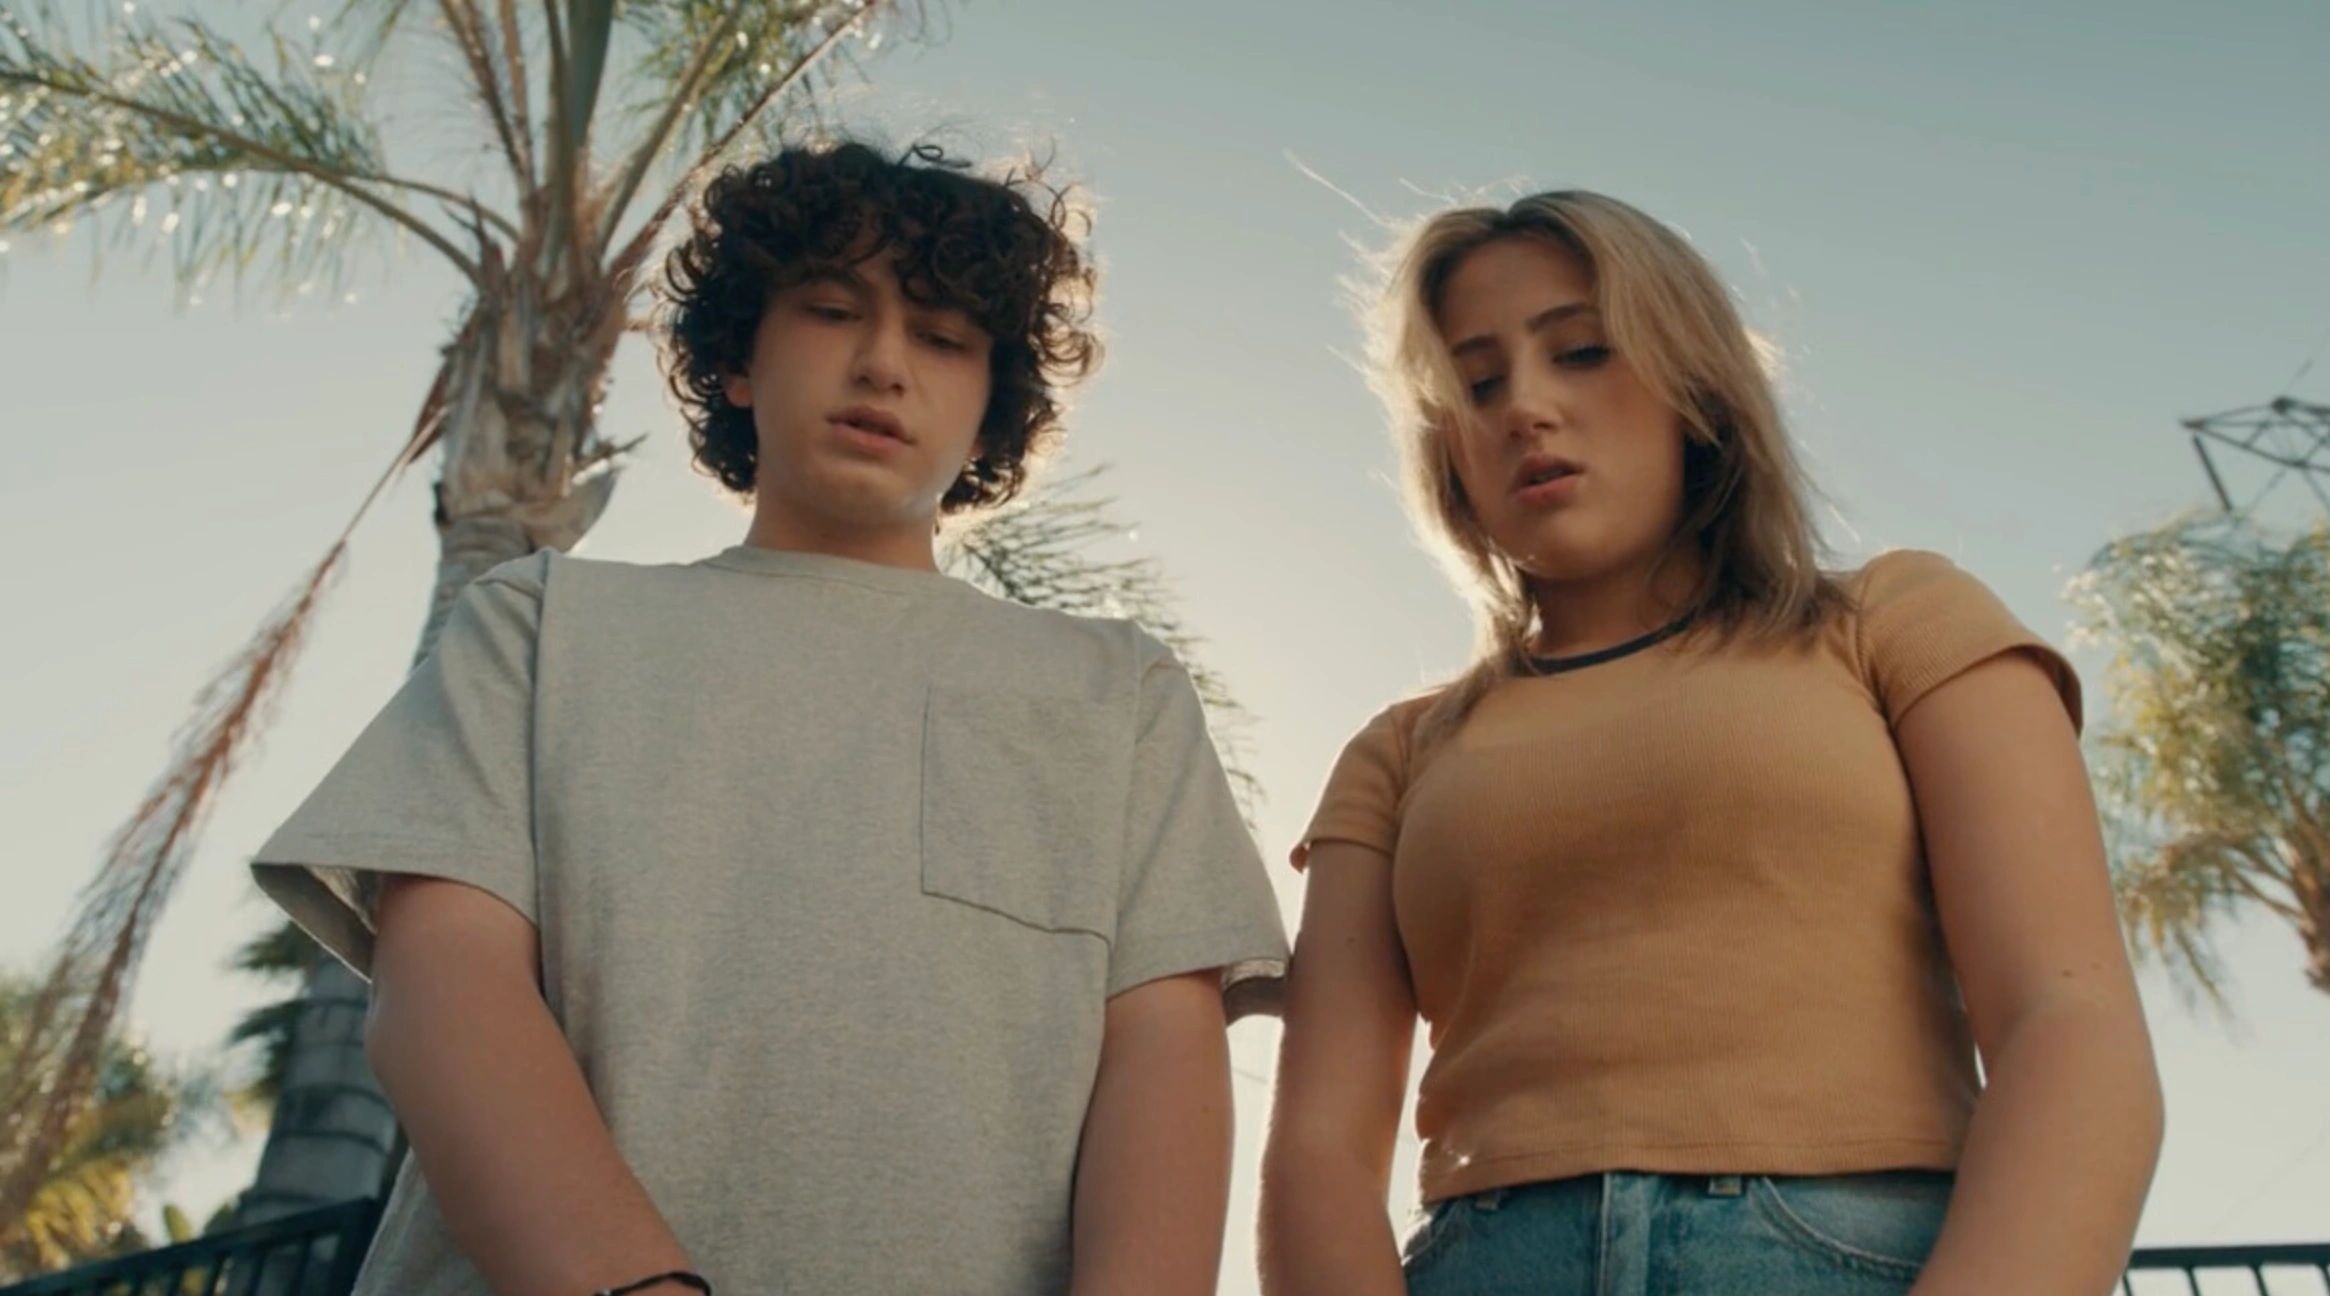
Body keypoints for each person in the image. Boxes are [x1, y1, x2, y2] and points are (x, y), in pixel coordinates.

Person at [253, 140, 1287, 1296]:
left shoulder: (1118, 692)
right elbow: (440, 988)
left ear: (991, 409)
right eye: (832, 309)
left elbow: (1163, 1057)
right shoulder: (546, 624)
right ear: (738, 361)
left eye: (944, 339)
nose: (885, 363)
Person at [1257, 190, 2161, 1296]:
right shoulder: (1397, 753)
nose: (1523, 408)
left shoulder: (1894, 623)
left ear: (1696, 387)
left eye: (1581, 351)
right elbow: (1317, 1153)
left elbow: (2064, 1024)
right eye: (1475, 382)